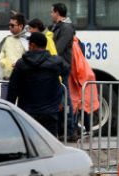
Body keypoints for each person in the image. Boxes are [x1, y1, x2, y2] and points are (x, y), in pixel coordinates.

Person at [6, 32, 68, 137]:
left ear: (32, 45)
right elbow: (66, 71)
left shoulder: (21, 64)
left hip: (27, 114)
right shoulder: (56, 62)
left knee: (30, 146)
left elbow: (13, 90)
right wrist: (60, 98)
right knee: (50, 146)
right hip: (50, 113)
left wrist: (8, 110)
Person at [49, 2, 80, 141]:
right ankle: (64, 129)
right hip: (57, 66)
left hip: (61, 67)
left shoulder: (66, 28)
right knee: (60, 99)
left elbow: (57, 48)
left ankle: (70, 131)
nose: (50, 15)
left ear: (57, 12)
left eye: (52, 12)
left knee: (65, 99)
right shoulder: (56, 27)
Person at [0, 13, 29, 100]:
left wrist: (19, 64)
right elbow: (2, 55)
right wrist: (3, 62)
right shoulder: (7, 39)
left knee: (23, 109)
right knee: (4, 106)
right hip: (7, 79)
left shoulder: (27, 40)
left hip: (23, 80)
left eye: (12, 25)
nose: (10, 27)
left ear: (20, 26)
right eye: (9, 25)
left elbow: (31, 57)